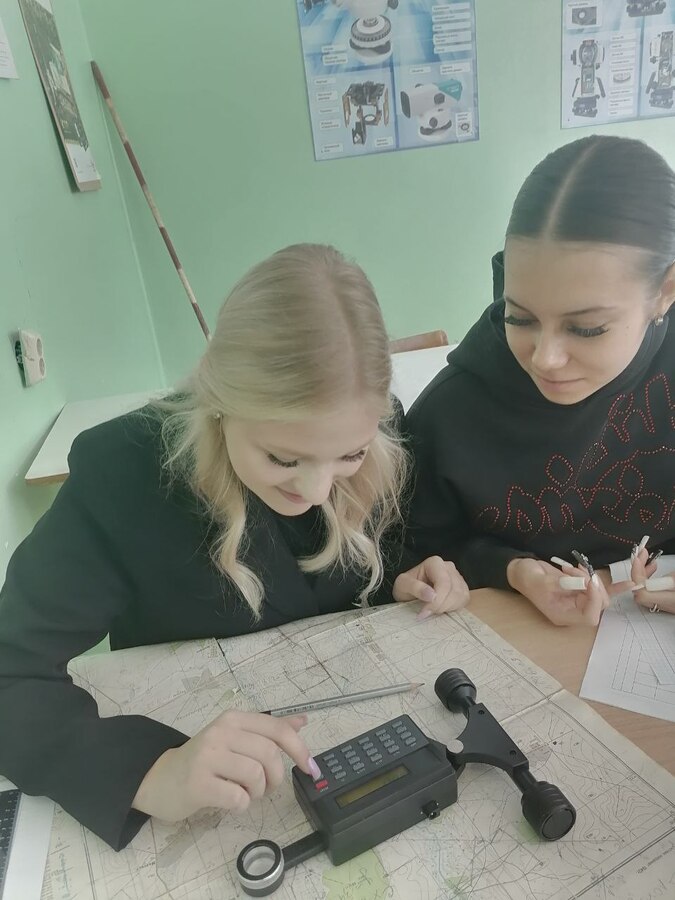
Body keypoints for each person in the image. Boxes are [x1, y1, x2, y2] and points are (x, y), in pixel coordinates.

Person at [0, 244, 468, 850]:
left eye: (349, 455)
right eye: (282, 458)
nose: (317, 489)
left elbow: (350, 566)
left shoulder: (370, 433)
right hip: (210, 789)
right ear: (221, 405)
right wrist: (149, 773)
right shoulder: (125, 474)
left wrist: (400, 575)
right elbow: (10, 670)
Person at [405, 135, 675, 626]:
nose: (546, 359)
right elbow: (416, 552)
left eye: (586, 328)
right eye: (519, 317)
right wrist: (510, 570)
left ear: (666, 292)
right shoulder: (450, 412)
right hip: (518, 635)